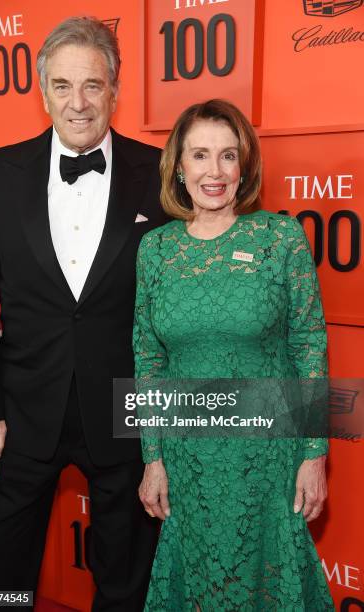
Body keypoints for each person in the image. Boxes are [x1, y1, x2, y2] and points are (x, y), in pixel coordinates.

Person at [0, 16, 166, 611]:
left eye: (93, 86)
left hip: (126, 409)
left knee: (126, 576)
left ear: (116, 89)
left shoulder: (158, 172)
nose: (78, 104)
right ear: (42, 90)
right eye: (62, 86)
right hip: (22, 409)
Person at [133, 99, 334, 611]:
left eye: (228, 155)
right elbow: (148, 360)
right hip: (188, 459)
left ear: (244, 165)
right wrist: (152, 459)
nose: (214, 171)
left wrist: (314, 454)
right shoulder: (155, 249)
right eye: (200, 155)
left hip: (267, 456)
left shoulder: (280, 237)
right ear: (178, 166)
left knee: (269, 579)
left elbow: (309, 343)